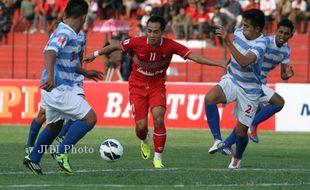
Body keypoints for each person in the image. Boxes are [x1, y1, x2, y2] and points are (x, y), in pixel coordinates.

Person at [83, 15, 226, 169]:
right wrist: (95, 54)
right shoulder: (137, 42)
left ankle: (158, 158)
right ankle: (144, 140)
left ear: (163, 32)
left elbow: (194, 56)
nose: (152, 35)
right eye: (149, 31)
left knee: (158, 119)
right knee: (141, 127)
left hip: (157, 86)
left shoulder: (171, 46)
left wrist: (219, 63)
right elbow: (115, 46)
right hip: (137, 87)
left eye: (156, 32)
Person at [23, 0, 102, 175]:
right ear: (83, 18)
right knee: (90, 118)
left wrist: (85, 72)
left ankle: (33, 158)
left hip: (55, 88)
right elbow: (50, 52)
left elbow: (67, 63)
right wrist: (51, 75)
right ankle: (61, 151)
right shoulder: (65, 32)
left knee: (55, 125)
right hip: (57, 88)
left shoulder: (69, 32)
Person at [205, 9, 267, 169]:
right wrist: (227, 62)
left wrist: (227, 41)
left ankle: (238, 157)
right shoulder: (239, 31)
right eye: (243, 24)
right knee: (209, 98)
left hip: (250, 90)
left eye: (247, 26)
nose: (242, 28)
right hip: (232, 79)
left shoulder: (262, 43)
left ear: (258, 29)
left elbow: (245, 61)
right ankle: (217, 140)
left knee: (240, 133)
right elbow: (236, 54)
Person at [24, 30, 103, 155]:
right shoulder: (61, 32)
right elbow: (50, 53)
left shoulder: (82, 35)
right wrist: (50, 75)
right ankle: (30, 146)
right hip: (56, 80)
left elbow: (79, 56)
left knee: (80, 107)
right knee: (43, 115)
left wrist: (82, 71)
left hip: (74, 77)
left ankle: (60, 138)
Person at [221, 19, 294, 148]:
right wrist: (227, 68)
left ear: (291, 35)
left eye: (286, 34)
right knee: (278, 103)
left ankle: (226, 144)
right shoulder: (265, 41)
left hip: (261, 83)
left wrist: (287, 75)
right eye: (280, 32)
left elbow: (283, 75)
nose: (282, 36)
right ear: (275, 31)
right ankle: (253, 125)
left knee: (244, 122)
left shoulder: (286, 50)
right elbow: (244, 53)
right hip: (250, 82)